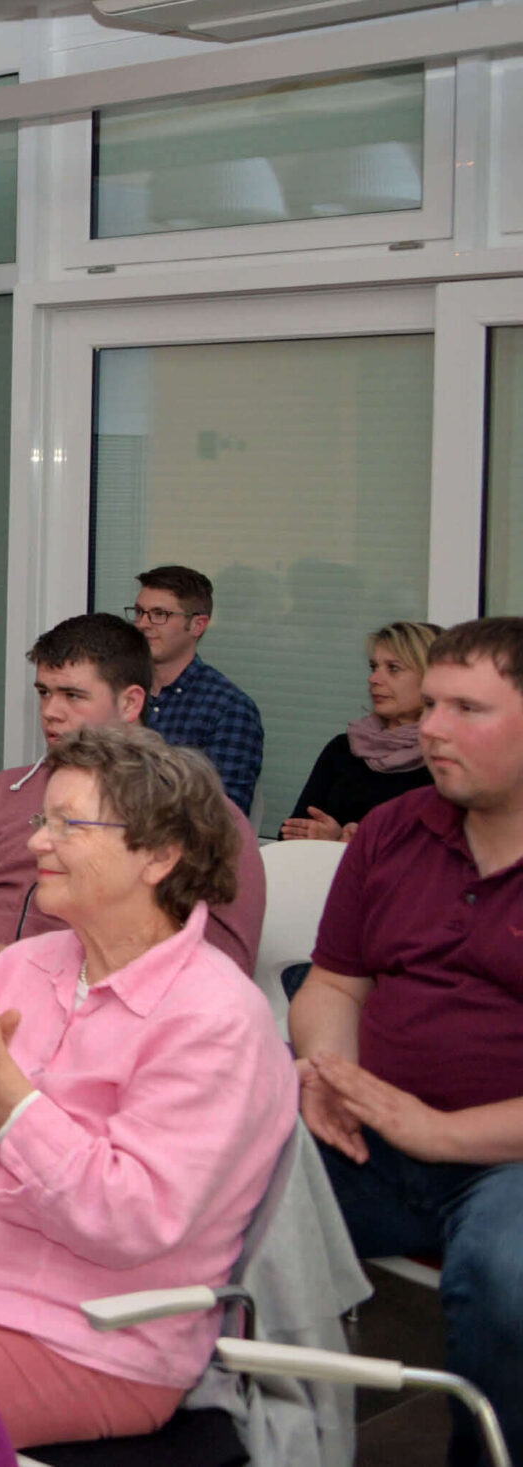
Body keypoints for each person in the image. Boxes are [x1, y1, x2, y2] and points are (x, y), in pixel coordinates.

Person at [0, 724, 296, 1448]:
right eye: (44, 818)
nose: (37, 841)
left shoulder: (216, 1018)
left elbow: (123, 1219)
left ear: (160, 855)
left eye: (69, 824)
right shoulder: (23, 966)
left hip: (90, 1337)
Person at [291, 616, 523, 1467]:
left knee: (510, 1281)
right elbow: (335, 983)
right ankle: (260, 1436)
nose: (429, 727)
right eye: (430, 705)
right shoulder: (393, 830)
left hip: (508, 1161)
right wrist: (325, 1071)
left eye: (467, 708)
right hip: (370, 1136)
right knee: (208, 1177)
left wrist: (445, 1132)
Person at [0, 613, 266, 974]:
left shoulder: (194, 811)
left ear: (130, 703)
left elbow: (221, 967)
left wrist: (33, 976)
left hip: (106, 1008)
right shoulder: (2, 792)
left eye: (73, 695)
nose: (50, 712)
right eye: (44, 692)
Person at [284, 619, 443, 840]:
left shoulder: (445, 758)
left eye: (393, 669)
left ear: (432, 678)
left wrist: (363, 846)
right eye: (374, 667)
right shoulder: (343, 749)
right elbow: (289, 835)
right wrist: (328, 840)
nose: (373, 679)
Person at [131, 565, 265, 814]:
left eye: (159, 614)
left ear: (197, 626)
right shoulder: (120, 690)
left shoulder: (229, 709)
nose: (142, 624)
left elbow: (224, 816)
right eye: (140, 612)